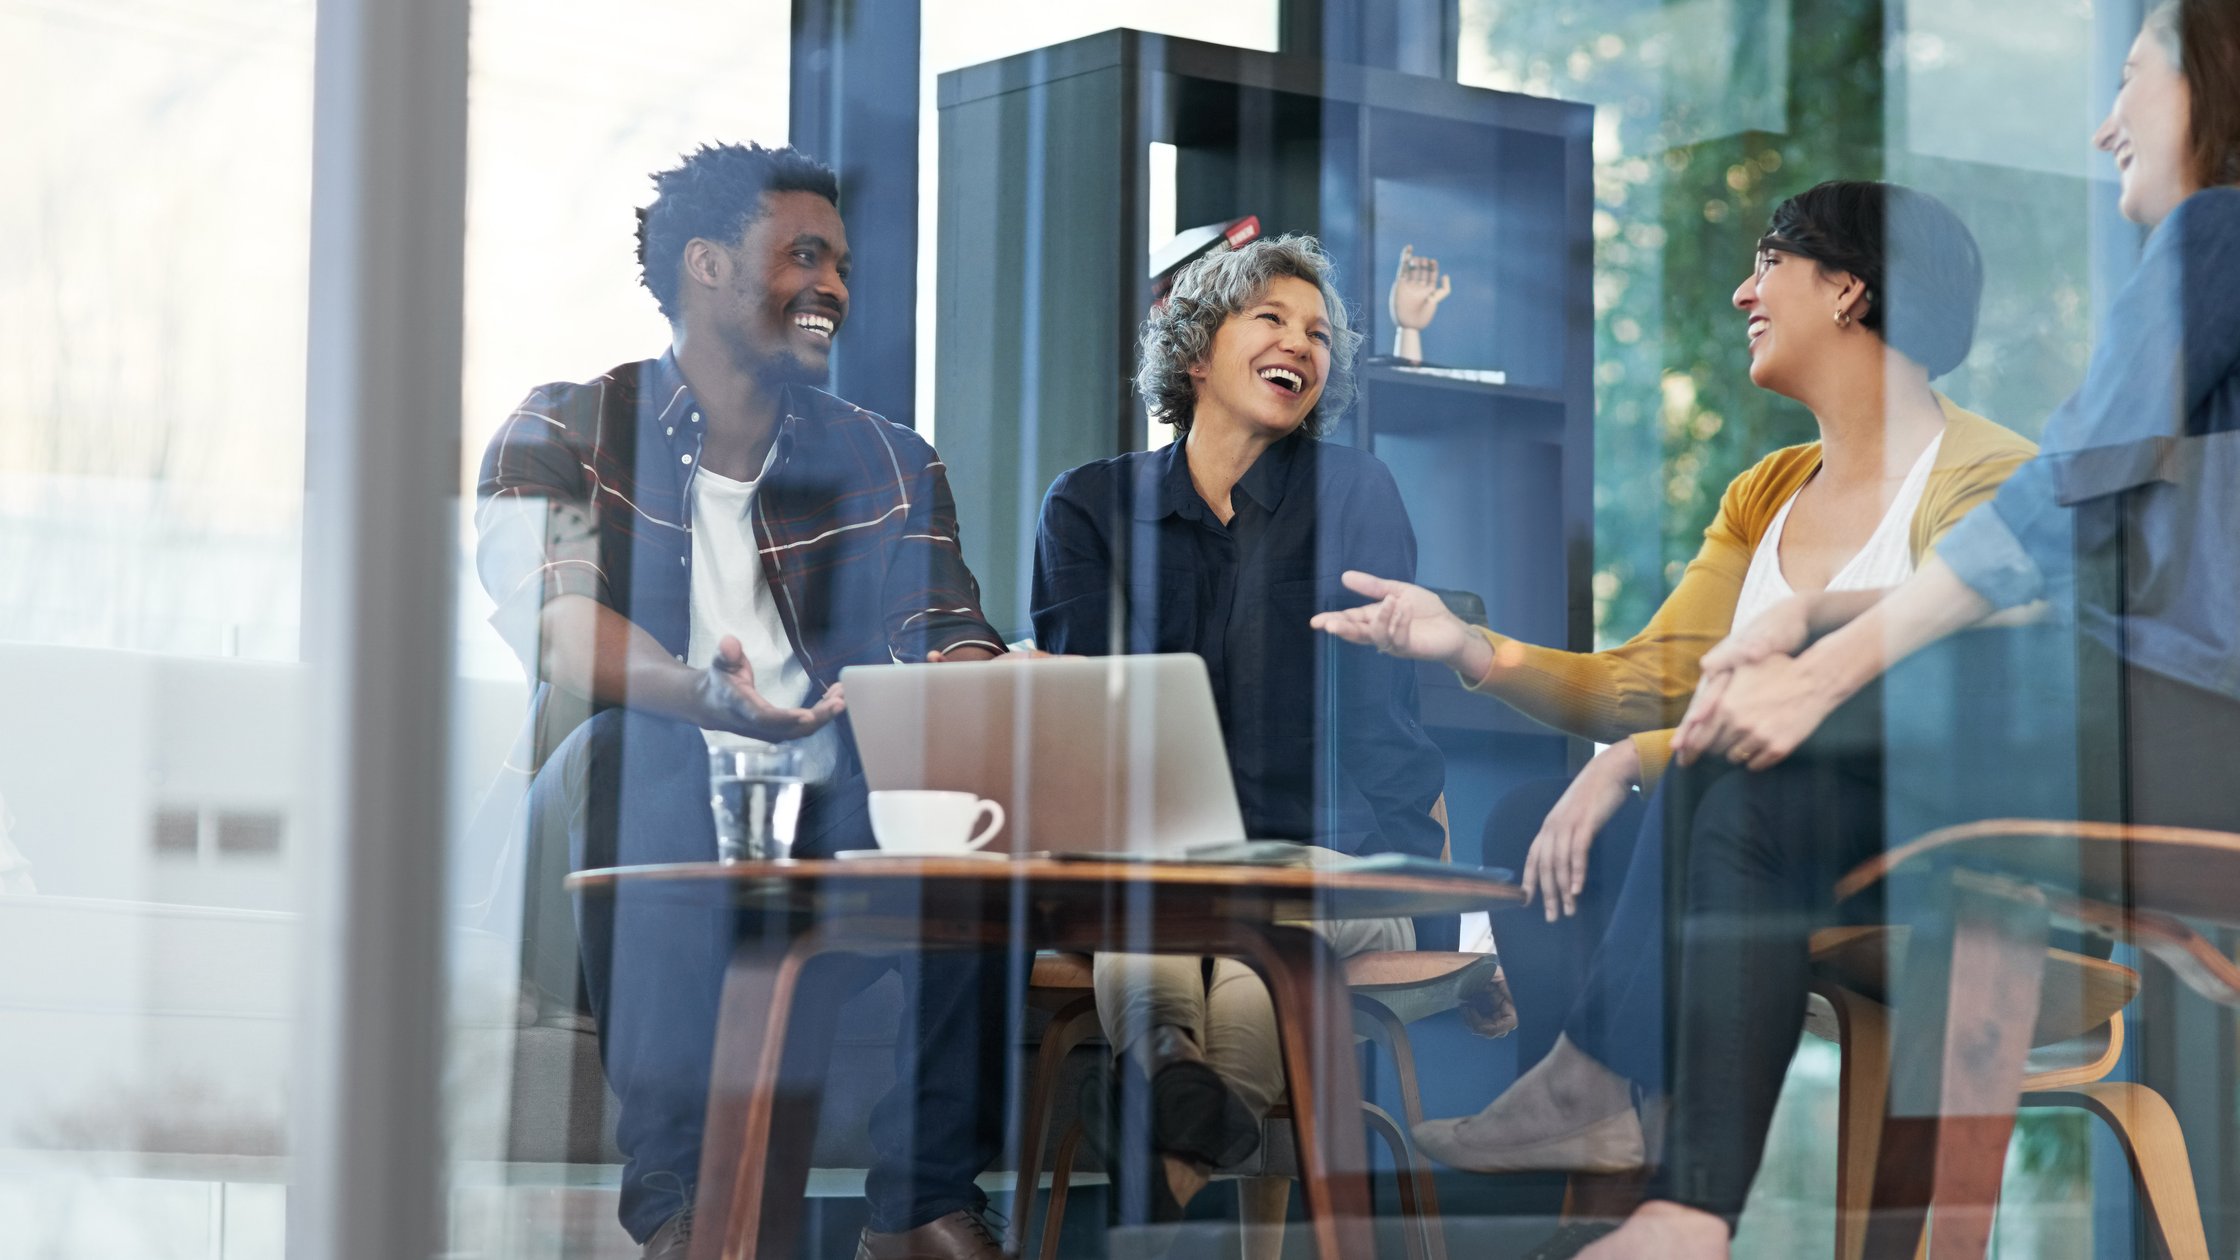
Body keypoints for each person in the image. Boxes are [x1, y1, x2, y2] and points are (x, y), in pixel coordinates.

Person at [1419, 4, 2239, 1255]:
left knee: (1739, 741)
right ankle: (1684, 1204)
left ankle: (1657, 1166)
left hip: (2179, 730)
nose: (2102, 121)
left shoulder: (2215, 236)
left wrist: (1822, 657)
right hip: (2162, 726)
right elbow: (2093, 557)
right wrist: (1797, 625)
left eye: (2129, 80)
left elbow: (2054, 512)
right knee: (1730, 771)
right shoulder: (1766, 486)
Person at [1313, 181, 2033, 1175]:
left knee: (1655, 798)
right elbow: (1644, 681)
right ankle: (1589, 1125)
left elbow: (1923, 678)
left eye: (1767, 263)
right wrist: (1467, 649)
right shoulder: (1766, 491)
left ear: (1846, 290)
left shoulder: (1986, 471)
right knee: (1529, 819)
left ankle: (1605, 1108)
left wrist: (1636, 761)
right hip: (1750, 830)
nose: (1741, 293)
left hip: (1902, 842)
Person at [476, 142, 1014, 1260]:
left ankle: (919, 1206)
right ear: (707, 266)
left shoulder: (887, 463)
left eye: (841, 265)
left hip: (808, 851)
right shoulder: (565, 430)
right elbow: (559, 630)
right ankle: (686, 1209)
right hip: (603, 855)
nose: (831, 288)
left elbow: (947, 640)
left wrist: (1013, 693)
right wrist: (700, 696)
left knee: (966, 795)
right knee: (647, 745)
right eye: (801, 255)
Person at [1029, 235, 1448, 1224]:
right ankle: (1179, 1110)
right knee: (1165, 915)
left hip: (1329, 860)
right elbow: (1082, 724)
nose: (1301, 345)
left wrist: (1432, 901)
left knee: (1256, 956)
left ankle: (1161, 1123)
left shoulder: (1354, 494)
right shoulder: (1088, 508)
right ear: (1193, 351)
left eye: (1317, 333)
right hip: (1145, 858)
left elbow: (1386, 720)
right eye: (1270, 319)